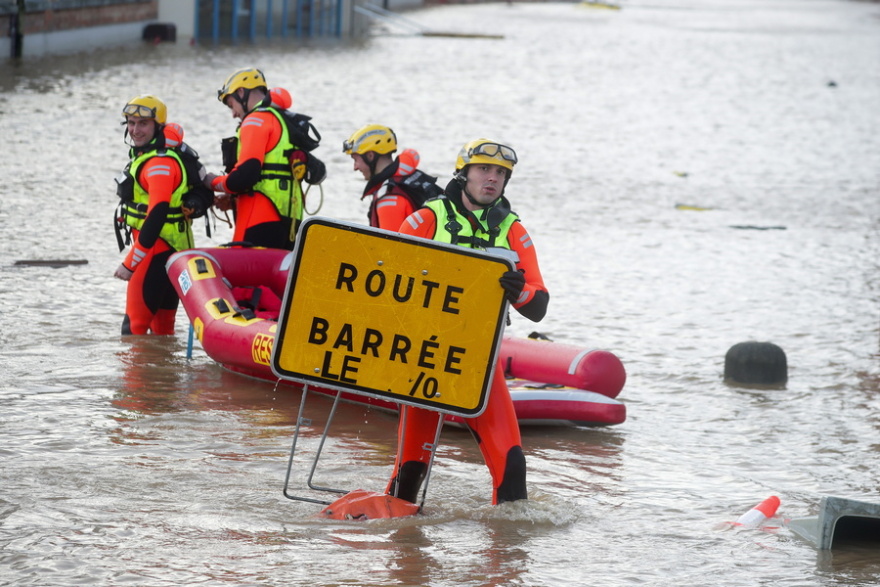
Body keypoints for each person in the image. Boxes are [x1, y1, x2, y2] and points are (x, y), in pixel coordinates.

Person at [387, 138, 550, 505]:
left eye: (500, 173)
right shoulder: (427, 218)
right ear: (464, 174)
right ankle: (399, 548)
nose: (492, 178)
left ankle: (508, 555)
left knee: (513, 468)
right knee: (410, 471)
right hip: (424, 355)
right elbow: (385, 279)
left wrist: (517, 290)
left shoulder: (512, 229)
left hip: (478, 360)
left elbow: (538, 305)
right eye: (483, 169)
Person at [209, 68, 325, 250]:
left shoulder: (255, 120)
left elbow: (245, 176)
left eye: (232, 105)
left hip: (259, 221)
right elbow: (270, 179)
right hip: (290, 223)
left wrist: (213, 182)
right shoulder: (283, 122)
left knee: (247, 277)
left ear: (241, 92)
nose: (233, 114)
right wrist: (232, 200)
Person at [113, 95, 199, 335]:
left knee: (133, 330)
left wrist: (131, 263)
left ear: (158, 126)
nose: (135, 130)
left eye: (143, 124)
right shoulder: (154, 156)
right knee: (162, 333)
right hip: (173, 254)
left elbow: (158, 213)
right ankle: (164, 373)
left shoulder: (158, 163)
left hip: (154, 253)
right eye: (130, 123)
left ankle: (135, 374)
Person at [342, 124, 443, 230]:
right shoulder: (413, 177)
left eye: (355, 160)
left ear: (370, 156)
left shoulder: (389, 200)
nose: (355, 167)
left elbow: (390, 246)